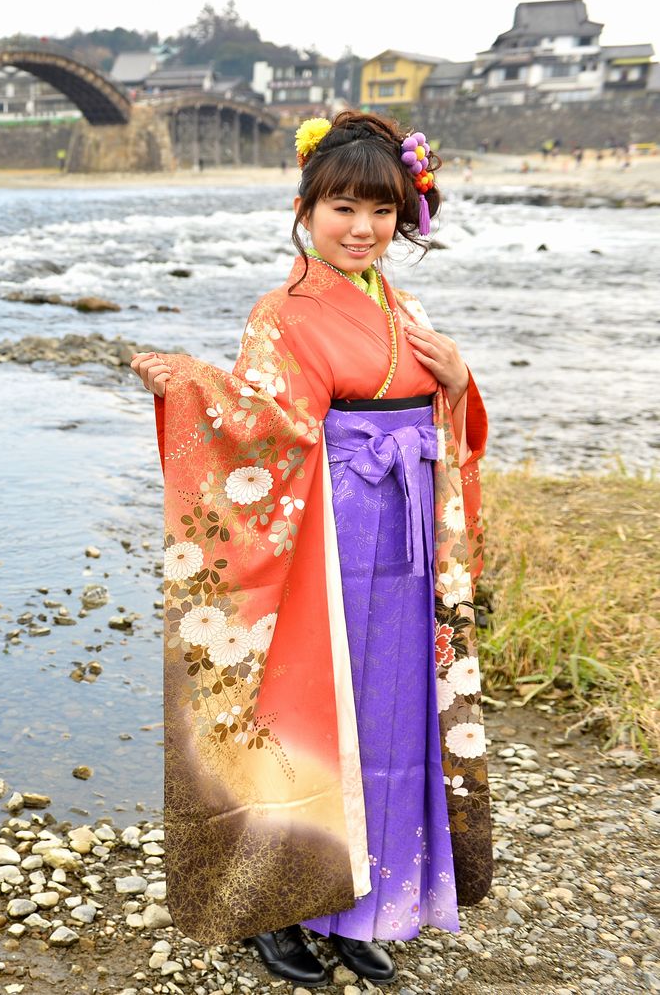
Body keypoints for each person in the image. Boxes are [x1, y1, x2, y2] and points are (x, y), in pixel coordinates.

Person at [128, 110, 492, 988]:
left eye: (382, 211)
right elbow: (263, 428)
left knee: (389, 715)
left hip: (400, 539)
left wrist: (457, 381)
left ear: (406, 215)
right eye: (344, 210)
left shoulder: (399, 306)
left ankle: (357, 903)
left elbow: (440, 418)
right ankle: (277, 905)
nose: (364, 230)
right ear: (305, 208)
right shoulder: (280, 310)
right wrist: (193, 385)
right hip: (324, 539)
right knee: (305, 713)